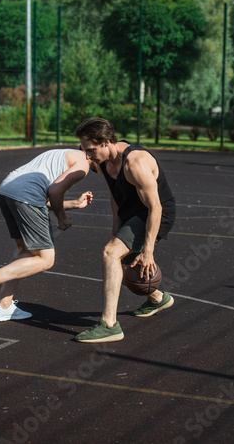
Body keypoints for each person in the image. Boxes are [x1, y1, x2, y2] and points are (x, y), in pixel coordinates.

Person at [74, 118, 176, 343]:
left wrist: (147, 252)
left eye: (90, 150)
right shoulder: (104, 163)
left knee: (110, 254)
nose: (87, 155)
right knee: (118, 265)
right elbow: (115, 198)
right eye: (84, 149)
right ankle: (158, 298)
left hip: (155, 213)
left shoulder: (135, 163)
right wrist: (116, 233)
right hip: (132, 213)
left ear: (107, 142)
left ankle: (109, 325)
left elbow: (156, 207)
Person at [0, 148, 93, 322]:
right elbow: (53, 192)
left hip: (7, 190)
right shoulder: (84, 163)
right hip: (26, 194)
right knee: (45, 259)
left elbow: (40, 200)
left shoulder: (61, 153)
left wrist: (74, 204)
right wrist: (62, 217)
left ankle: (4, 306)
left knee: (25, 251)